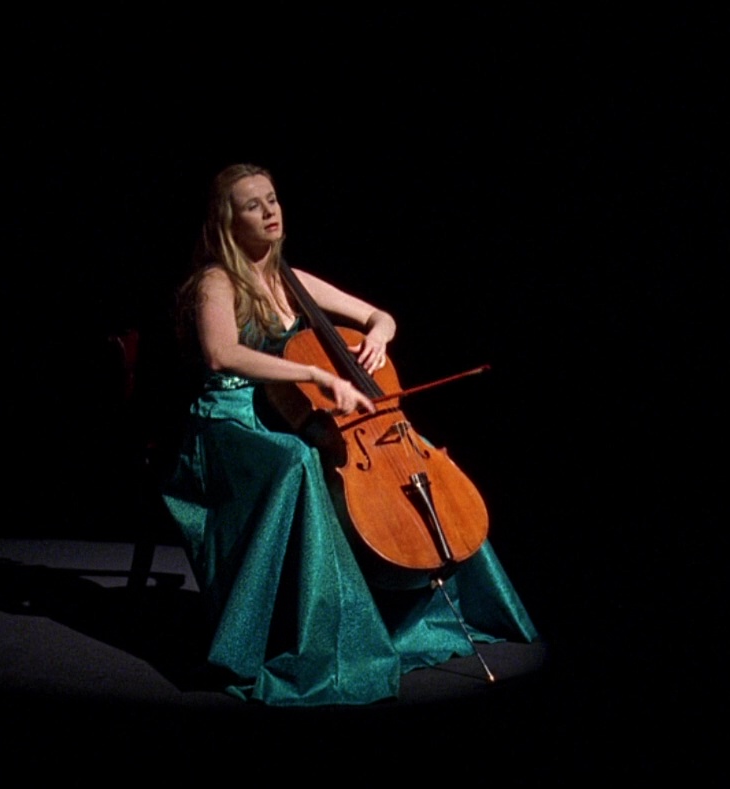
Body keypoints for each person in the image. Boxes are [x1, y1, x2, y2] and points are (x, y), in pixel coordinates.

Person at [158, 163, 539, 706]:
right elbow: (222, 354)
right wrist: (315, 374)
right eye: (252, 205)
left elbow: (381, 316)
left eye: (272, 199)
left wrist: (378, 336)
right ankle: (307, 635)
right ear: (227, 220)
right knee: (297, 461)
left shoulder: (292, 279)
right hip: (229, 420)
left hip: (279, 411)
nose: (269, 212)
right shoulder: (216, 281)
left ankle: (431, 609)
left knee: (398, 463)